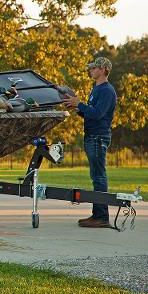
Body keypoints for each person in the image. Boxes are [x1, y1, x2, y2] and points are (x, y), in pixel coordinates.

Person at [64, 57, 117, 228]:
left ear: (102, 70)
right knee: (96, 176)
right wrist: (77, 107)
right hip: (92, 136)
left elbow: (98, 113)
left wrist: (81, 104)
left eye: (94, 68)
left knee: (99, 176)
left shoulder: (107, 91)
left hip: (98, 137)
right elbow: (90, 113)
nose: (91, 71)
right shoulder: (96, 89)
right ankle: (97, 215)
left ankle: (102, 217)